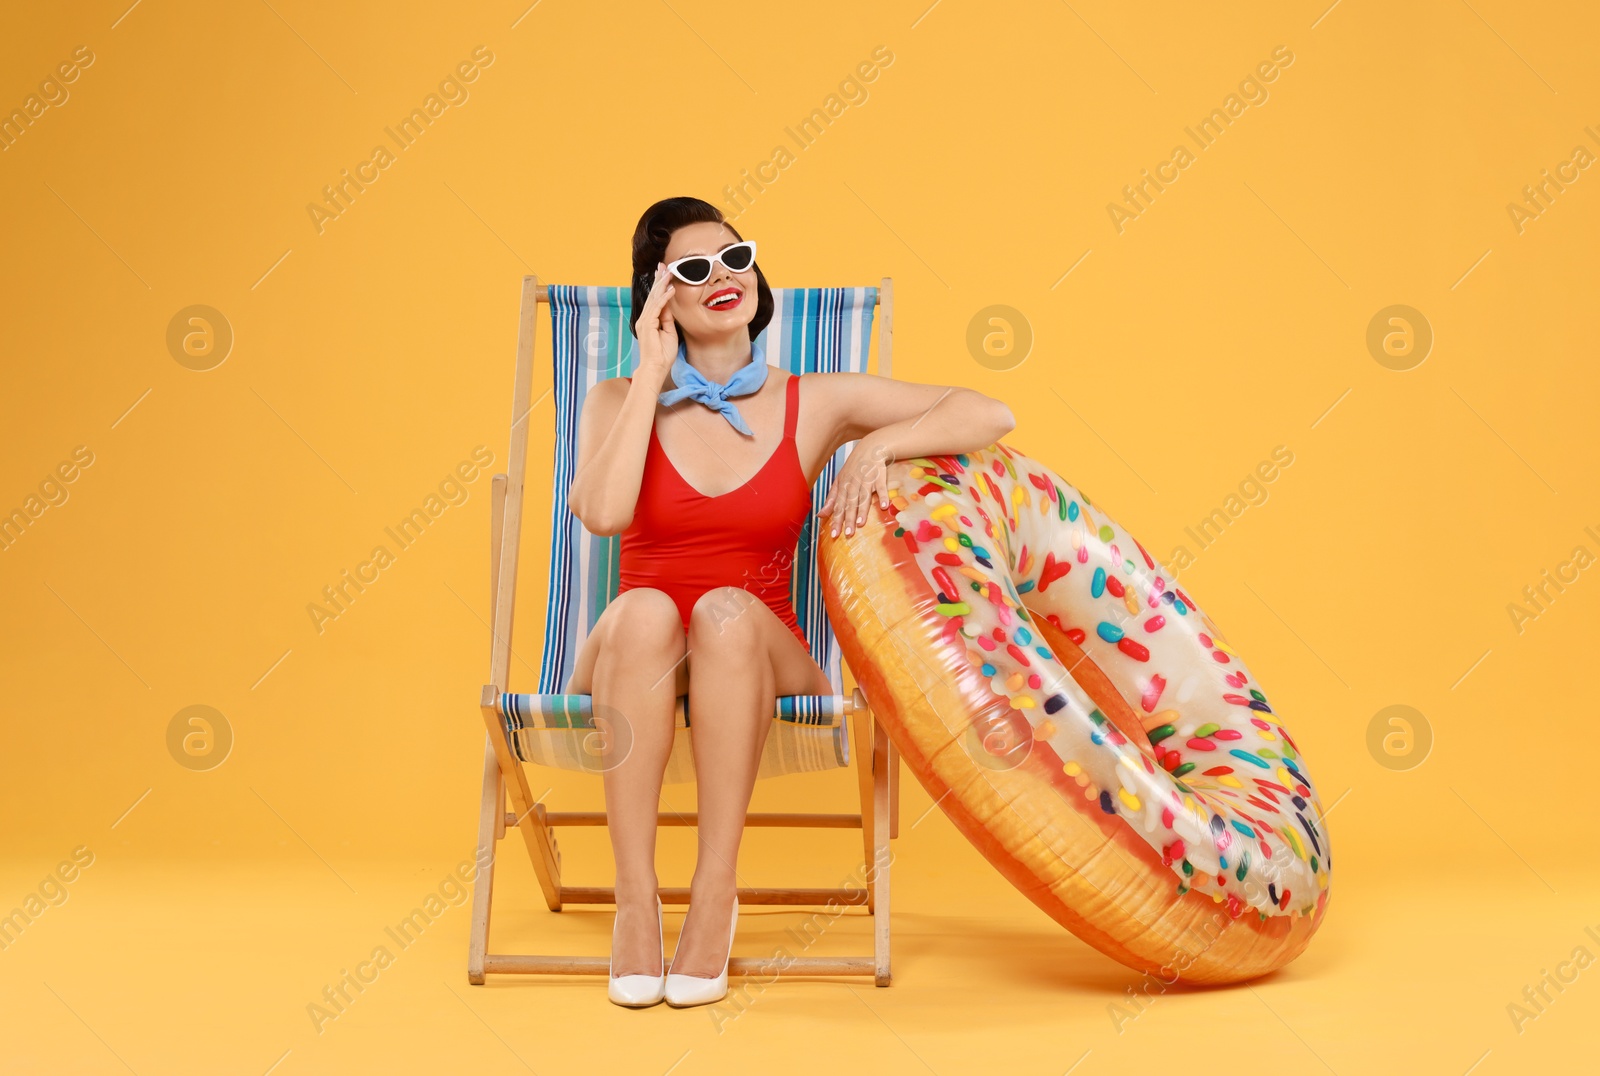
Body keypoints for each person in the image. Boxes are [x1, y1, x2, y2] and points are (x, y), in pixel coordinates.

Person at [564, 196, 1016, 1007]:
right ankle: (635, 900)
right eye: (693, 270)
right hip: (637, 654)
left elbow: (988, 411)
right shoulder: (615, 400)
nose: (722, 277)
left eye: (736, 258)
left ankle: (713, 892)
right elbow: (602, 515)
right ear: (659, 296)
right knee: (649, 610)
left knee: (722, 612)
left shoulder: (814, 400)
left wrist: (877, 441)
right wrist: (649, 378)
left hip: (757, 646)